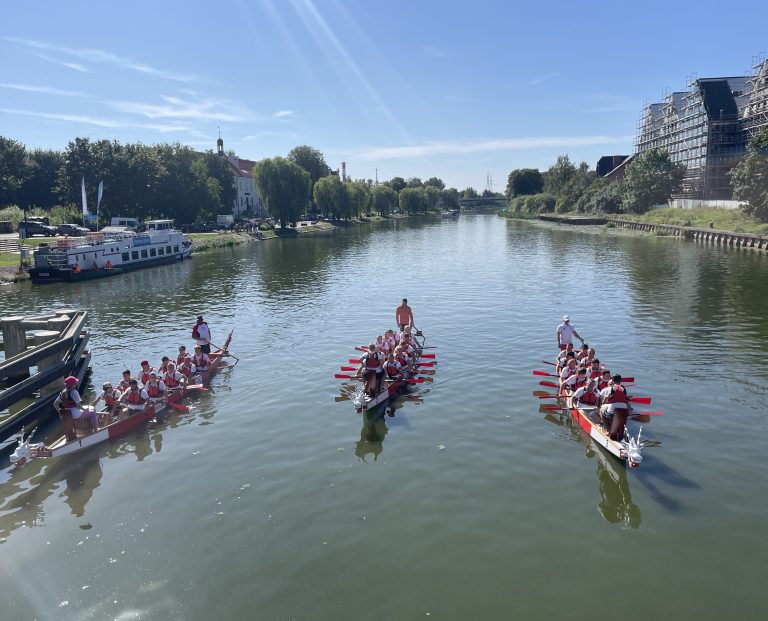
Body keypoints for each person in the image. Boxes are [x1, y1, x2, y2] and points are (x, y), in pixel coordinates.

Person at [599, 374, 631, 440]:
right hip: (624, 407)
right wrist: (629, 408)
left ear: (612, 380)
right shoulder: (624, 388)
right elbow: (626, 399)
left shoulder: (611, 388)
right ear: (621, 381)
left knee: (602, 412)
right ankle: (621, 431)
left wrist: (602, 404)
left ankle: (608, 430)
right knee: (621, 416)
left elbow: (606, 398)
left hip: (614, 406)